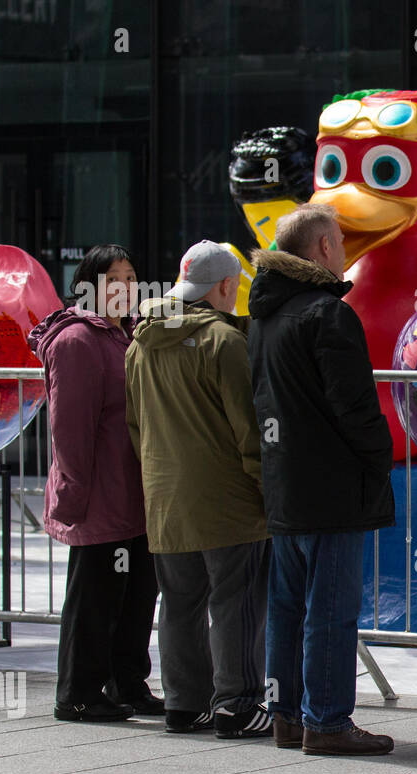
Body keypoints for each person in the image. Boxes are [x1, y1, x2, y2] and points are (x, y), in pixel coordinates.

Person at [247, 203, 396, 756]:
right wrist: (378, 456)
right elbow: (354, 406)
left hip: (285, 480)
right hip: (332, 485)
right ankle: (328, 720)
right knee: (330, 608)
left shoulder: (264, 314)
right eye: (339, 239)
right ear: (323, 249)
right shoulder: (328, 314)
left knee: (287, 605)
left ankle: (286, 714)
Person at [126, 240, 272, 738]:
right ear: (227, 286)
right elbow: (248, 429)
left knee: (180, 600)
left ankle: (184, 703)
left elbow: (135, 424)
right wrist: (265, 488)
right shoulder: (224, 342)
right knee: (236, 601)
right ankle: (237, 704)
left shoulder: (141, 342)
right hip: (227, 499)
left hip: (165, 496)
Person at [28, 244, 161, 721]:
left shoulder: (125, 336)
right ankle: (79, 692)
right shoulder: (77, 341)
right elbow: (69, 428)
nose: (125, 287)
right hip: (98, 497)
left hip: (133, 493)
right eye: (113, 279)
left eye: (131, 277)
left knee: (136, 594)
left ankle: (128, 683)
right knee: (95, 597)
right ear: (88, 286)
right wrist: (73, 491)